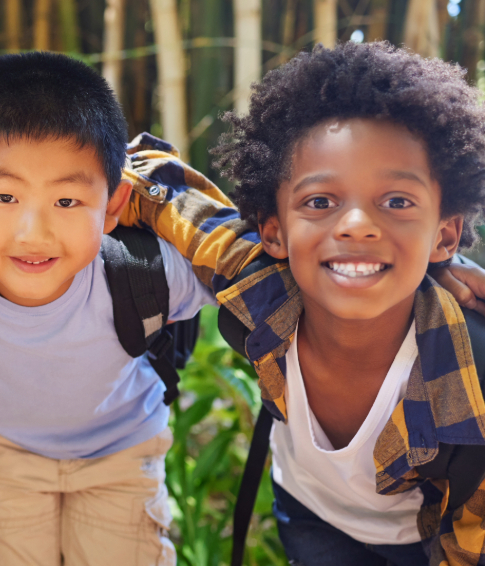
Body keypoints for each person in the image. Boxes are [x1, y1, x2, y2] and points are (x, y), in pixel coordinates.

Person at [121, 41, 485, 565]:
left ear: (445, 236)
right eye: (320, 201)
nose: (357, 224)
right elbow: (141, 173)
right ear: (273, 232)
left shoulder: (470, 371)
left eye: (397, 202)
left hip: (424, 543)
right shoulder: (261, 281)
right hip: (308, 513)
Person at [0, 51, 215, 565]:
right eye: (2, 197)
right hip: (6, 457)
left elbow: (249, 270)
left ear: (112, 207)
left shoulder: (145, 271)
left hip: (122, 456)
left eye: (66, 202)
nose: (32, 233)